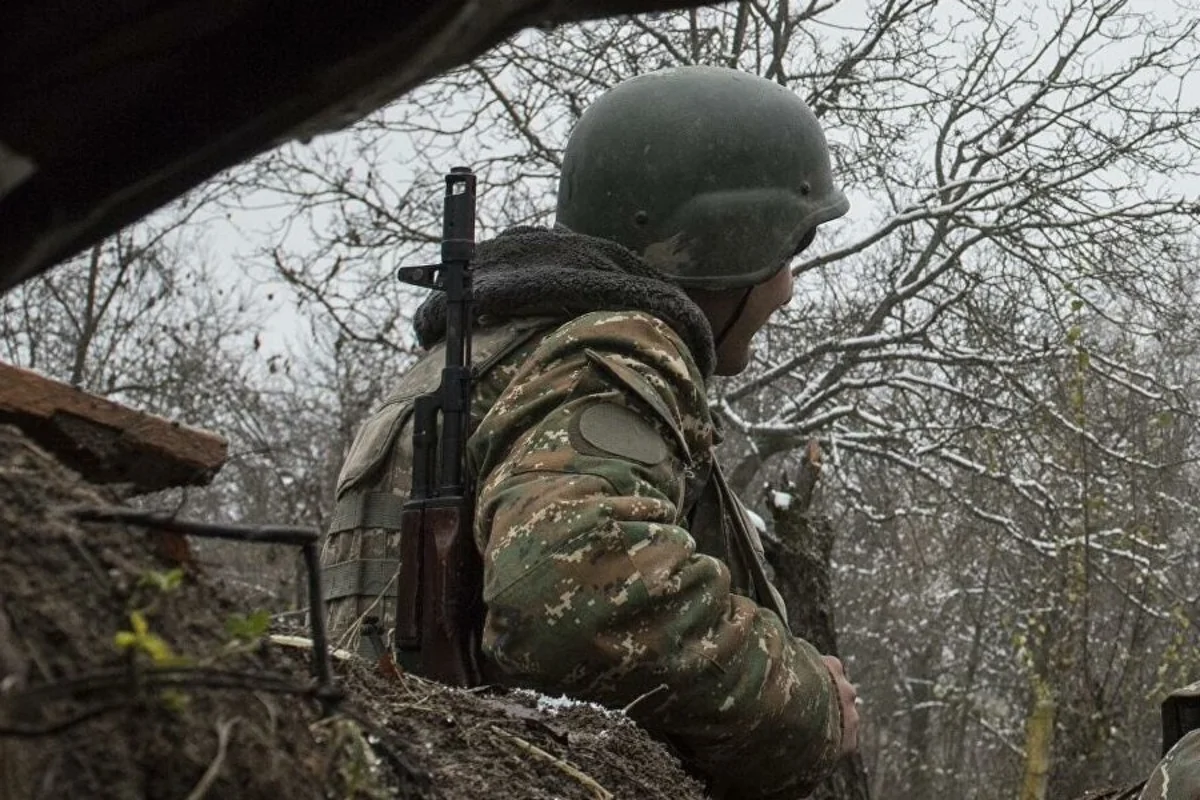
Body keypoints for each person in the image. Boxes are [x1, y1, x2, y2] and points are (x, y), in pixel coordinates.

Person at [321, 65, 858, 798]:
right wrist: (811, 702)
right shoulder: (619, 348)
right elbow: (580, 595)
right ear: (733, 244)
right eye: (787, 256)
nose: (789, 291)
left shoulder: (485, 356)